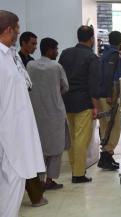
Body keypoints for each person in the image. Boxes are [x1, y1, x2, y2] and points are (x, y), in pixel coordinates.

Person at [0, 10, 46, 216]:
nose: (19, 33)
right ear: (8, 29)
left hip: (19, 132)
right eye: (17, 28)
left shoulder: (10, 56)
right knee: (12, 180)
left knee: (15, 181)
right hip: (8, 133)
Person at [59, 25, 100, 183]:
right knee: (82, 138)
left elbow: (60, 77)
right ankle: (78, 174)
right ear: (91, 39)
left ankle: (74, 167)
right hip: (84, 102)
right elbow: (93, 84)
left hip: (67, 100)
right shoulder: (91, 57)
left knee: (72, 137)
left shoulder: (65, 53)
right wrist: (96, 106)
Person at [27, 37, 69, 190]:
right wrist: (55, 94)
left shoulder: (30, 65)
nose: (57, 52)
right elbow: (65, 87)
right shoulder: (56, 67)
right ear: (50, 50)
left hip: (36, 112)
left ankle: (39, 180)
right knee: (56, 148)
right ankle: (50, 180)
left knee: (39, 147)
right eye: (56, 49)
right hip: (55, 112)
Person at [98, 31, 121, 170]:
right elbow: (108, 75)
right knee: (113, 125)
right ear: (120, 40)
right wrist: (110, 95)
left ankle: (106, 157)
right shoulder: (113, 54)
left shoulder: (105, 53)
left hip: (104, 94)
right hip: (109, 95)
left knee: (106, 126)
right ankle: (107, 156)